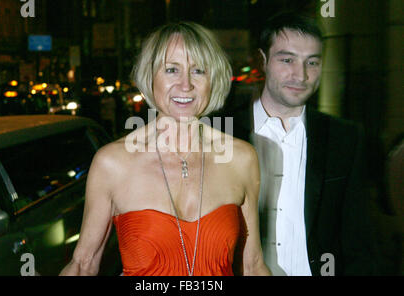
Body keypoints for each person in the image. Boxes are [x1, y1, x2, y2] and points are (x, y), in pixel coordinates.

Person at [60, 22, 271, 276]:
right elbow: (83, 264)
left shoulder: (241, 158)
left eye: (198, 71)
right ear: (150, 78)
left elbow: (253, 265)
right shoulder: (112, 163)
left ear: (212, 80)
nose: (186, 85)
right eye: (172, 70)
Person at [227, 12, 378, 275]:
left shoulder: (345, 137)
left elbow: (358, 239)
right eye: (287, 60)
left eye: (312, 62)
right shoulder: (223, 133)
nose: (301, 75)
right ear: (263, 61)